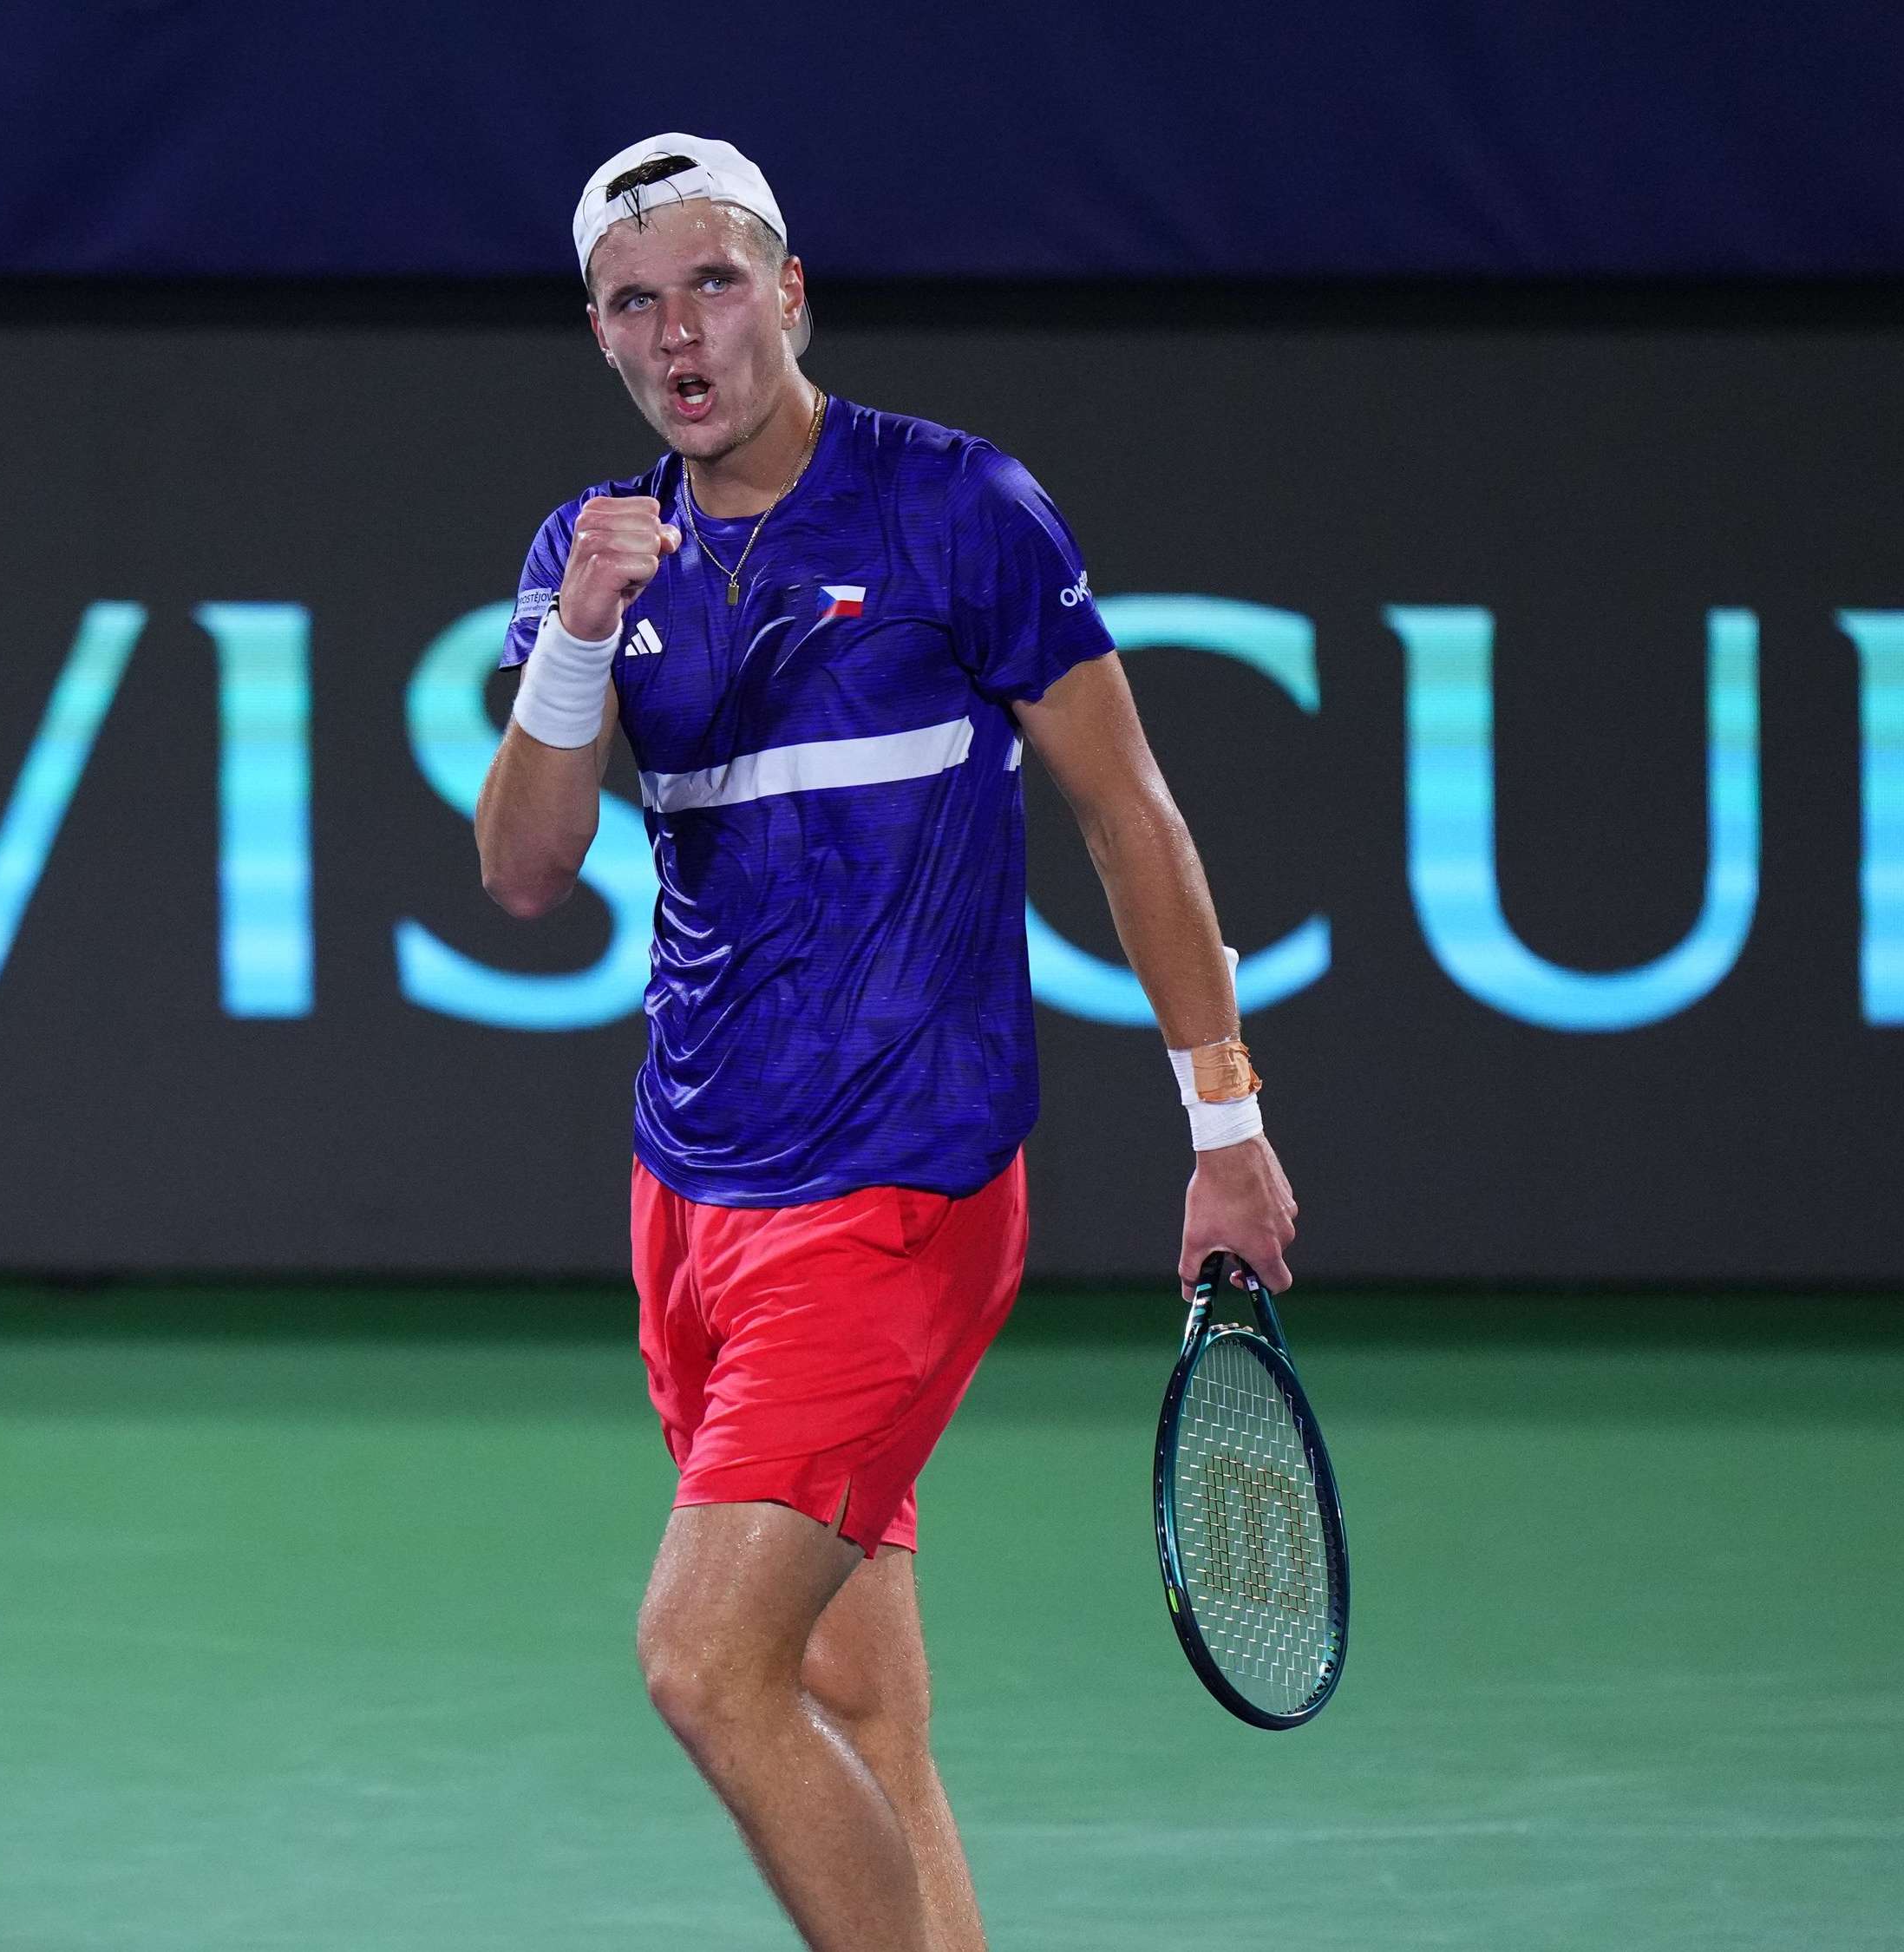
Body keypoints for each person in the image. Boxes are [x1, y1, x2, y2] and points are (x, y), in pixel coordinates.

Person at [473, 134, 1301, 1952]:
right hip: (688, 1195)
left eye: (708, 281)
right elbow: (525, 867)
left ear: (786, 291)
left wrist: (1219, 1119)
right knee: (849, 1707)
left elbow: (1127, 814)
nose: (676, 332)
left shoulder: (957, 511)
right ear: (601, 339)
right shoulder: (587, 554)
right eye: (632, 302)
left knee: (701, 1662)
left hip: (896, 1189)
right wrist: (577, 644)